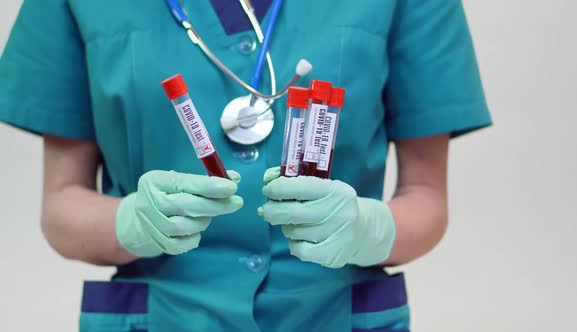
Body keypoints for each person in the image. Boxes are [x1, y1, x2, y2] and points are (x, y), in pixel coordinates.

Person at [0, 0, 492, 331]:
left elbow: (426, 198)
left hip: (333, 314)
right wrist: (130, 222)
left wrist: (369, 228)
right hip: (161, 317)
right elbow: (61, 208)